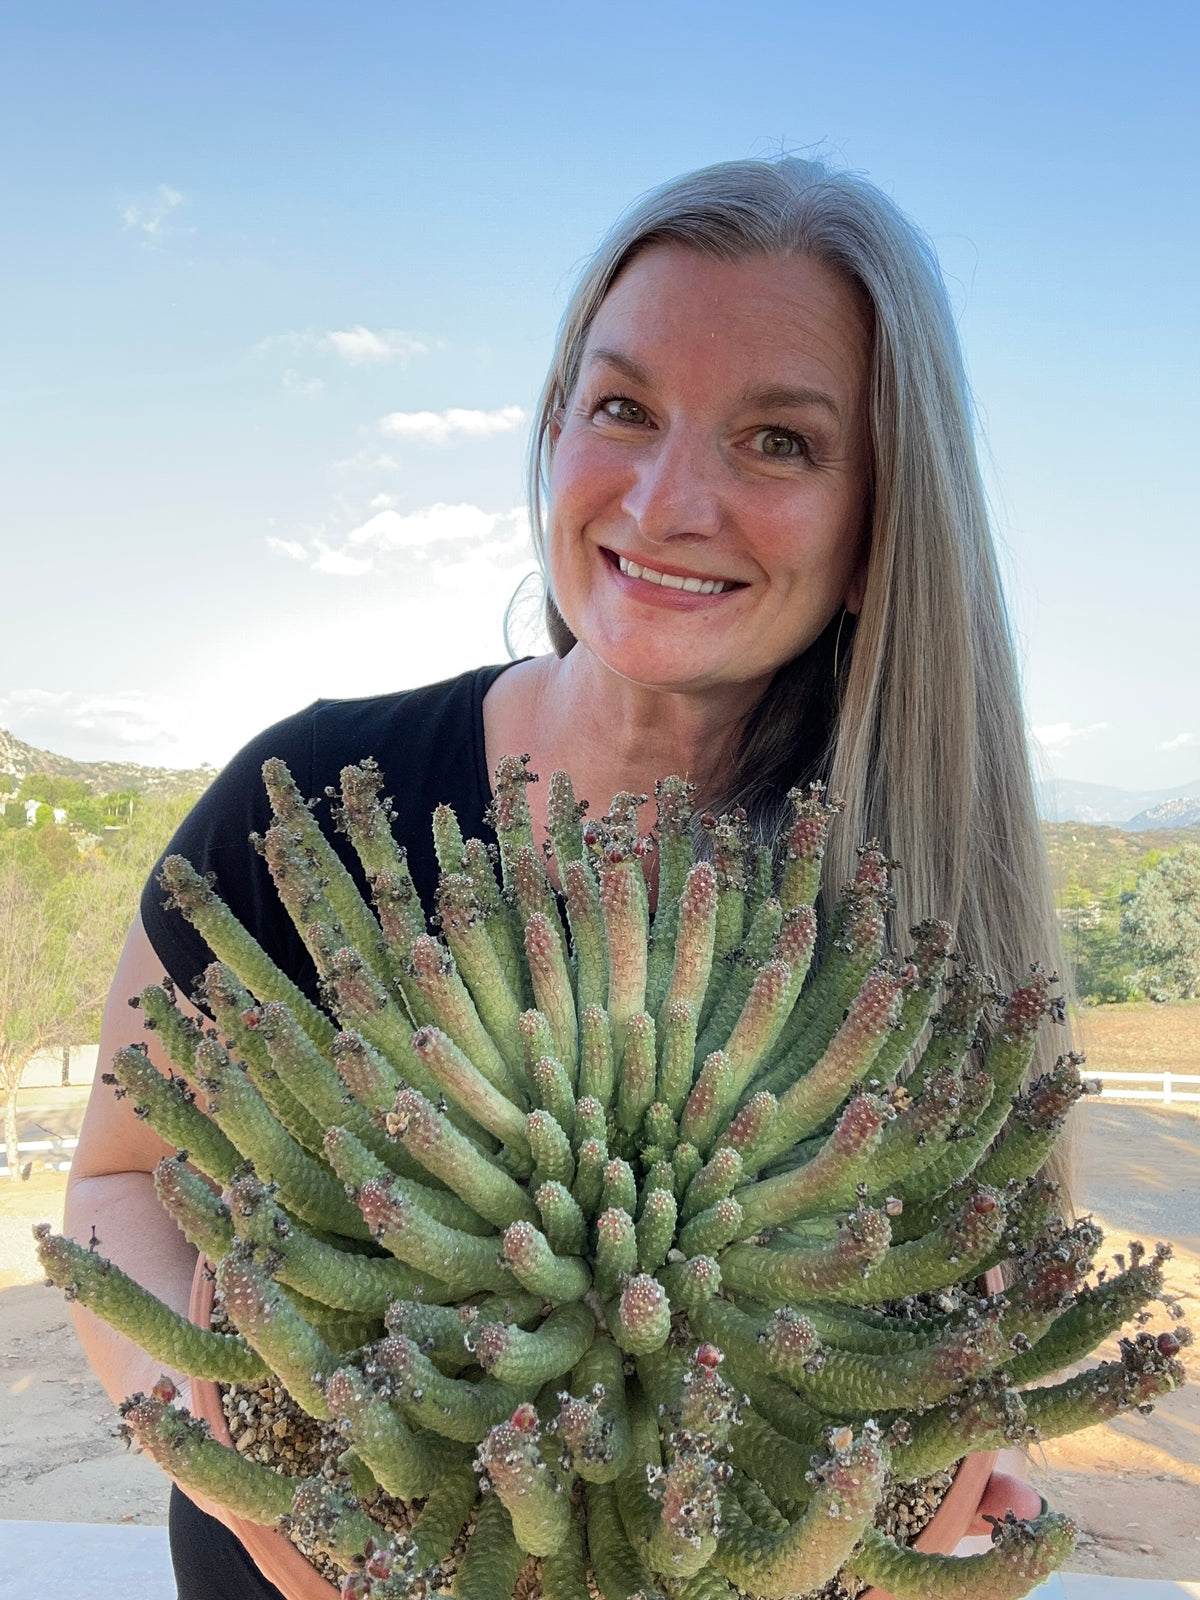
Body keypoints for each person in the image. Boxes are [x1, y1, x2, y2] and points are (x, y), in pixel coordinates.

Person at [65, 156, 1056, 1598]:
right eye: (624, 408)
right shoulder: (311, 807)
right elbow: (117, 1183)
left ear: (874, 528)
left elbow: (941, 1341)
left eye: (778, 441)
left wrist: (908, 1455)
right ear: (552, 428)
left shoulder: (915, 906)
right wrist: (259, 1487)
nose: (667, 498)